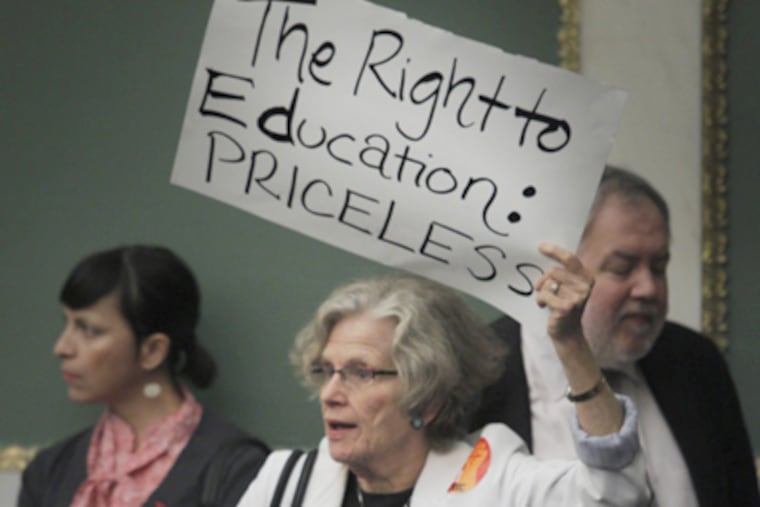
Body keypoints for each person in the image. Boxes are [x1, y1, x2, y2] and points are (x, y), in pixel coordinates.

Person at [471, 166, 760, 506]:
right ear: (560, 265)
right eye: (622, 268)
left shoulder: (694, 363)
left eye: (659, 266)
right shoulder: (479, 373)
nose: (648, 288)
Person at [237, 271, 650, 506]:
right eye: (327, 370)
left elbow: (616, 493)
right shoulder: (285, 484)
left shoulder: (495, 483)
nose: (330, 393)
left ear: (429, 400)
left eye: (361, 373)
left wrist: (571, 345)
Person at [18, 245, 270, 507]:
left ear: (152, 350)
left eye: (89, 330)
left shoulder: (235, 467)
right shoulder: (49, 470)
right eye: (67, 324)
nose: (62, 348)